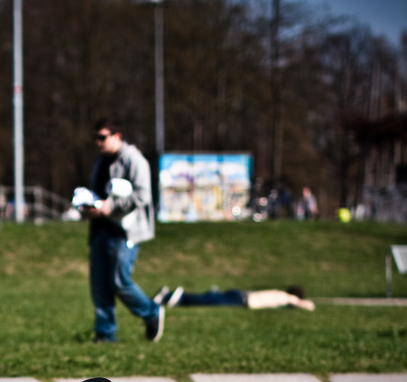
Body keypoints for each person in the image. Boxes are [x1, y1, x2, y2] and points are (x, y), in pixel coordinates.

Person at [79, 118, 162, 343]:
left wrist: (110, 207)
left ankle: (151, 312)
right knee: (99, 285)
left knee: (119, 281)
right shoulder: (100, 162)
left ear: (117, 136)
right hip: (99, 230)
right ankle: (105, 334)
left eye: (102, 137)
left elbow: (143, 195)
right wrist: (88, 206)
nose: (98, 142)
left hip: (124, 231)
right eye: (96, 138)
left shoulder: (134, 160)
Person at [154, 285, 316, 312]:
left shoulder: (279, 293)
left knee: (209, 298)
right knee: (208, 301)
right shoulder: (287, 298)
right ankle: (177, 297)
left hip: (241, 294)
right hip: (241, 300)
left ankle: (172, 296)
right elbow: (308, 305)